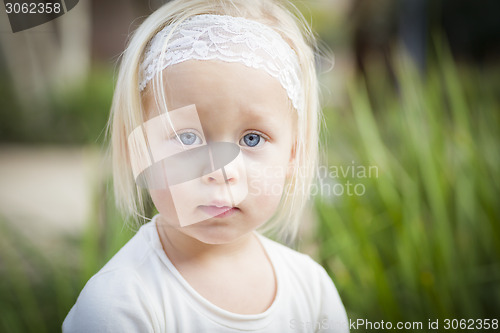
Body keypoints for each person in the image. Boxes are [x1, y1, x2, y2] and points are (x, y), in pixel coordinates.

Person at [63, 0, 349, 331]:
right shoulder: (119, 303)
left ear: (292, 157)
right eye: (187, 137)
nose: (220, 171)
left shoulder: (311, 290)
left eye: (252, 139)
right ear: (138, 149)